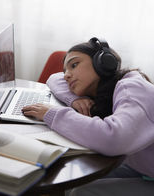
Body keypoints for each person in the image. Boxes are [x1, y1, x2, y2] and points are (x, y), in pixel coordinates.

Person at [22, 37, 154, 196]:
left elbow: (113, 138)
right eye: (66, 70)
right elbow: (54, 78)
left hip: (143, 169)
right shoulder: (103, 91)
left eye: (74, 65)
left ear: (104, 63)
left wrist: (53, 114)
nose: (66, 76)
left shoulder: (131, 88)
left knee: (82, 191)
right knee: (73, 178)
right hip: (144, 168)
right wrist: (75, 99)